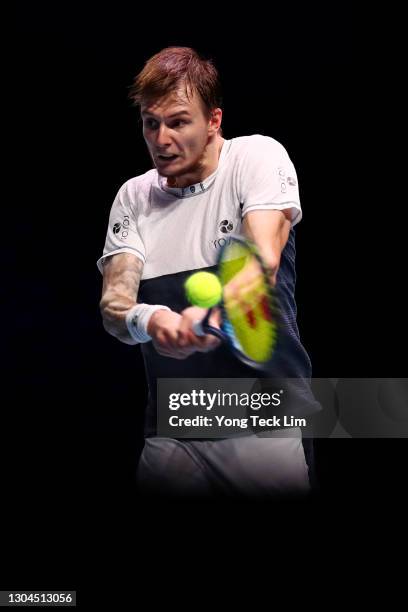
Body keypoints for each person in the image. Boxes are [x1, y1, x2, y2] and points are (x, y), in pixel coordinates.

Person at [98, 46, 320, 499]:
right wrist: (154, 320)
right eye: (150, 122)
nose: (161, 139)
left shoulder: (255, 157)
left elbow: (263, 258)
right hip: (174, 424)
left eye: (178, 122)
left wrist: (219, 313)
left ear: (213, 121)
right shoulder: (133, 197)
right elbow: (114, 307)